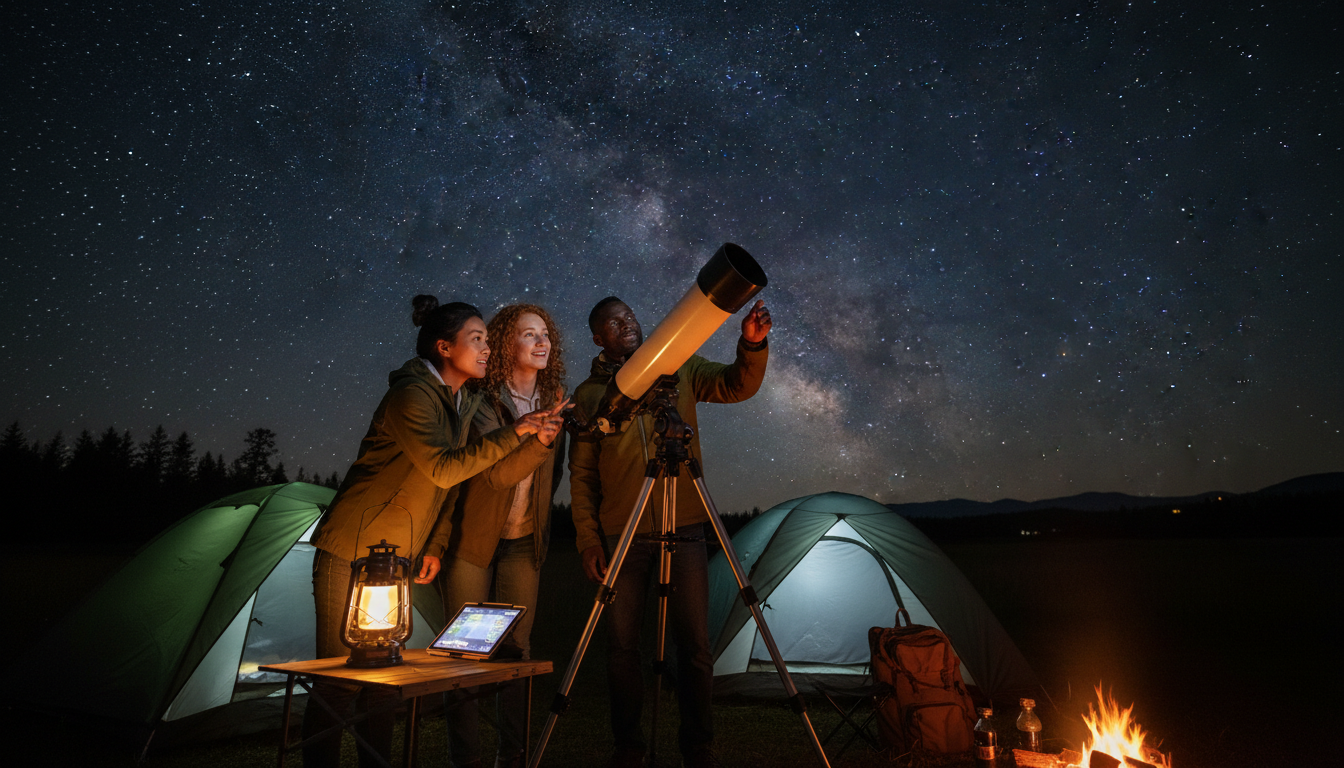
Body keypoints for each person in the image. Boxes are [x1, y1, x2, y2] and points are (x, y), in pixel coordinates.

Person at [303, 295, 562, 768]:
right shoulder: (412, 395)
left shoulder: (458, 402)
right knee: (339, 681)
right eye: (477, 339)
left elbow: (448, 489)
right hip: (351, 550)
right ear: (445, 347)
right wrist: (518, 430)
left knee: (382, 683)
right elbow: (445, 469)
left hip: (396, 556)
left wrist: (436, 543)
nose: (488, 348)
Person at [570, 295, 772, 768]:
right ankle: (629, 747)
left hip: (683, 528)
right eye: (616, 323)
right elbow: (582, 478)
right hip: (623, 535)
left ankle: (698, 745)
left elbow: (734, 386)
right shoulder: (588, 396)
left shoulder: (677, 367)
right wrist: (587, 539)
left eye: (632, 316)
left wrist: (751, 345)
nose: (630, 325)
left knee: (695, 646)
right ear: (599, 338)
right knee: (622, 647)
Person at [439, 304, 569, 768]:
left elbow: (551, 477)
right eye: (527, 333)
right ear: (504, 345)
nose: (541, 341)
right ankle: (467, 760)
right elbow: (493, 477)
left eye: (545, 333)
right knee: (465, 656)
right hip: (474, 540)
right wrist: (537, 441)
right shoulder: (481, 398)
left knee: (517, 652)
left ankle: (512, 756)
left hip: (523, 540)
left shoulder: (555, 397)